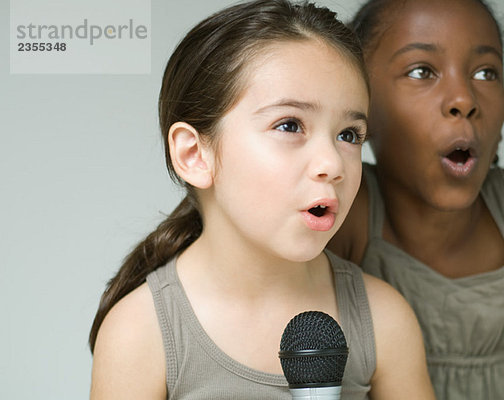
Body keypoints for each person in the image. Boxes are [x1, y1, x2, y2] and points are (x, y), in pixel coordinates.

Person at [88, 1, 435, 399]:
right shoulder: (140, 333)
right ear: (194, 156)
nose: (332, 164)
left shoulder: (384, 319)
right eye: (289, 125)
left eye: (349, 134)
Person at [327, 0, 504, 399]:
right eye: (422, 71)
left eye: (486, 72)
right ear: (361, 107)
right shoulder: (350, 209)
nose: (464, 98)